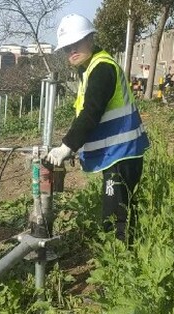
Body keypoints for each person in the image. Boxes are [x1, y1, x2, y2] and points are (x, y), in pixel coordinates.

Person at [47, 14, 150, 241]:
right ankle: (128, 255)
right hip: (118, 153)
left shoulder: (101, 69)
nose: (72, 50)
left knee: (114, 219)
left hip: (122, 154)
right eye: (67, 47)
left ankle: (120, 262)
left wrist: (67, 146)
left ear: (91, 39)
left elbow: (91, 113)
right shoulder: (91, 68)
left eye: (77, 42)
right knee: (123, 212)